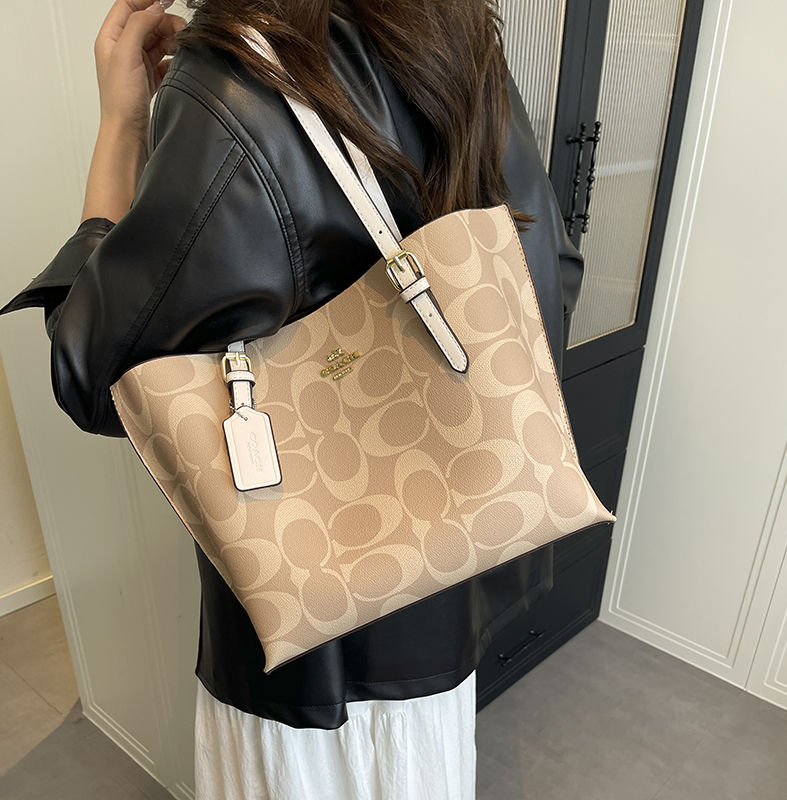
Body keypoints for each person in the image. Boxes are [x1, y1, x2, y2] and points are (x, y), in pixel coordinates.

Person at [0, 0, 584, 797]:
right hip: (440, 618)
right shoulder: (454, 32)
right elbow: (547, 279)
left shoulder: (237, 76)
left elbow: (98, 374)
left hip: (308, 667)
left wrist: (121, 129)